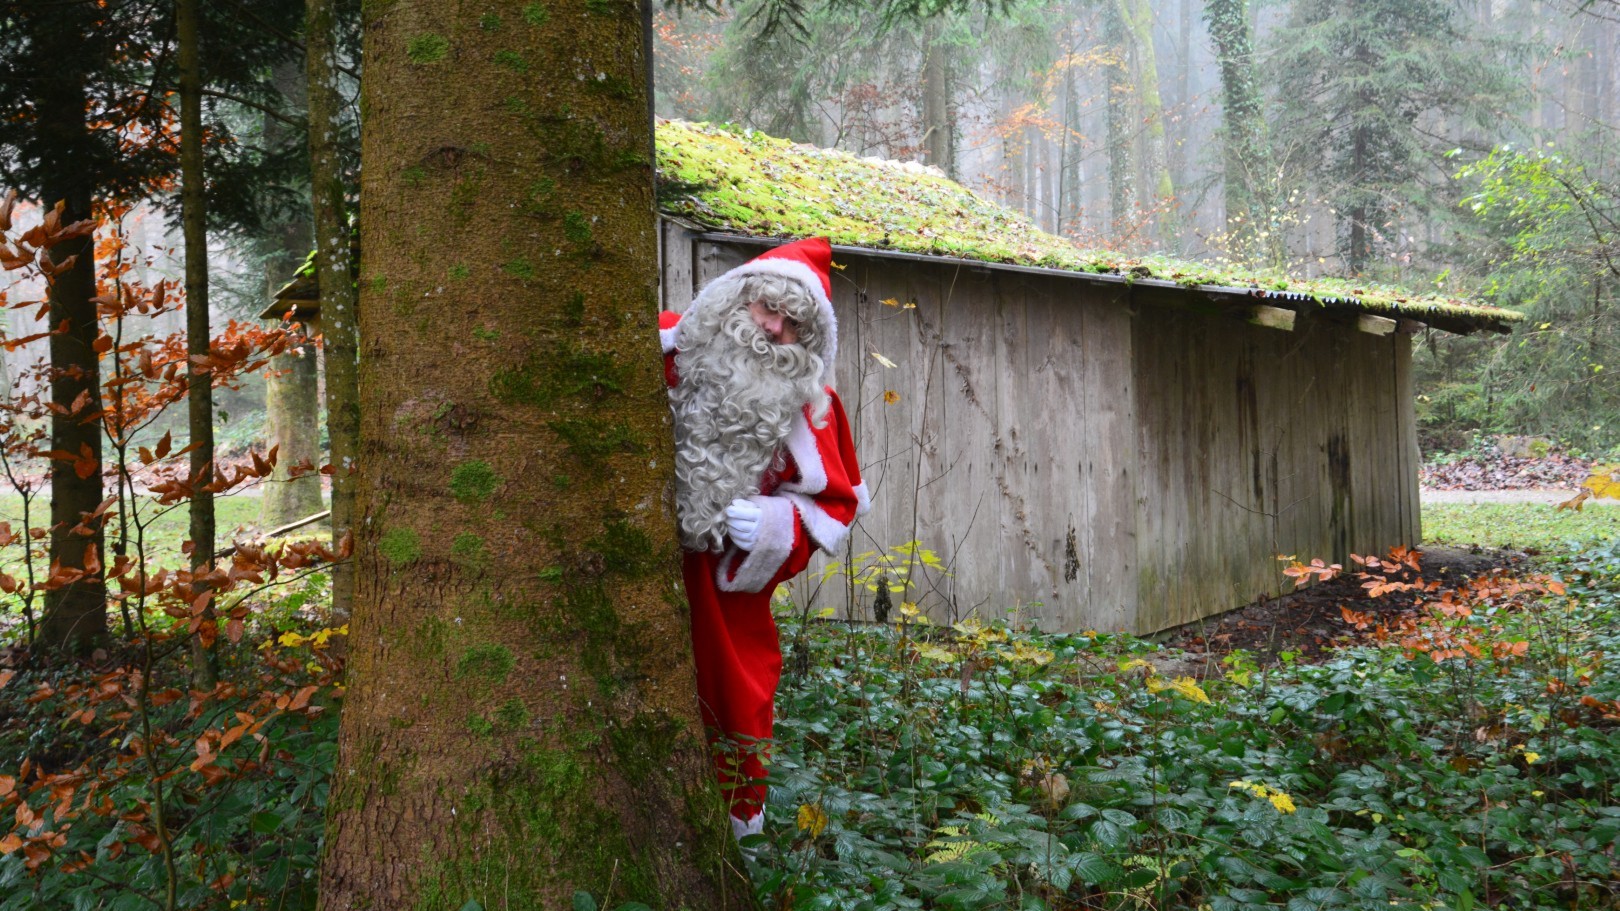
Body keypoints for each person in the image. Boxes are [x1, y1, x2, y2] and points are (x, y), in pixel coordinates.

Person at [659, 236, 869, 842]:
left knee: (736, 701)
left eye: (792, 324)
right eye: (765, 309)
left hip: (725, 590)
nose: (773, 329)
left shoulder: (815, 409)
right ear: (737, 299)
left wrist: (777, 528)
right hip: (628, 560)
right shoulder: (670, 344)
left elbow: (834, 503)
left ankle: (732, 839)